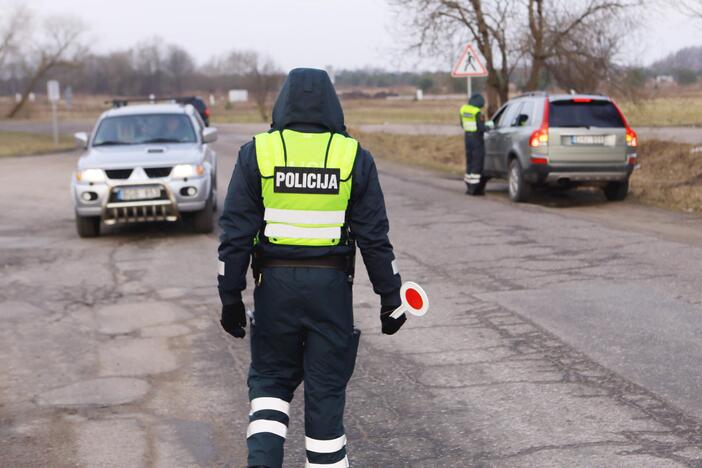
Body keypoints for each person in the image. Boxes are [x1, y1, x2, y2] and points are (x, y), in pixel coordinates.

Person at [217, 68, 406, 468]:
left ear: (282, 103)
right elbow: (374, 237)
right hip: (331, 292)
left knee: (269, 386)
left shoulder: (258, 152)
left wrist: (230, 295)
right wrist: (391, 298)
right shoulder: (353, 156)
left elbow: (236, 235)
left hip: (274, 290)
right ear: (332, 105)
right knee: (325, 397)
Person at [460, 93, 487, 195]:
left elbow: (462, 124)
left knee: (470, 162)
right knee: (477, 163)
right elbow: (482, 128)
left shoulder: (463, 110)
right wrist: (489, 127)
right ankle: (475, 189)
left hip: (467, 138)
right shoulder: (477, 112)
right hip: (477, 140)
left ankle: (469, 186)